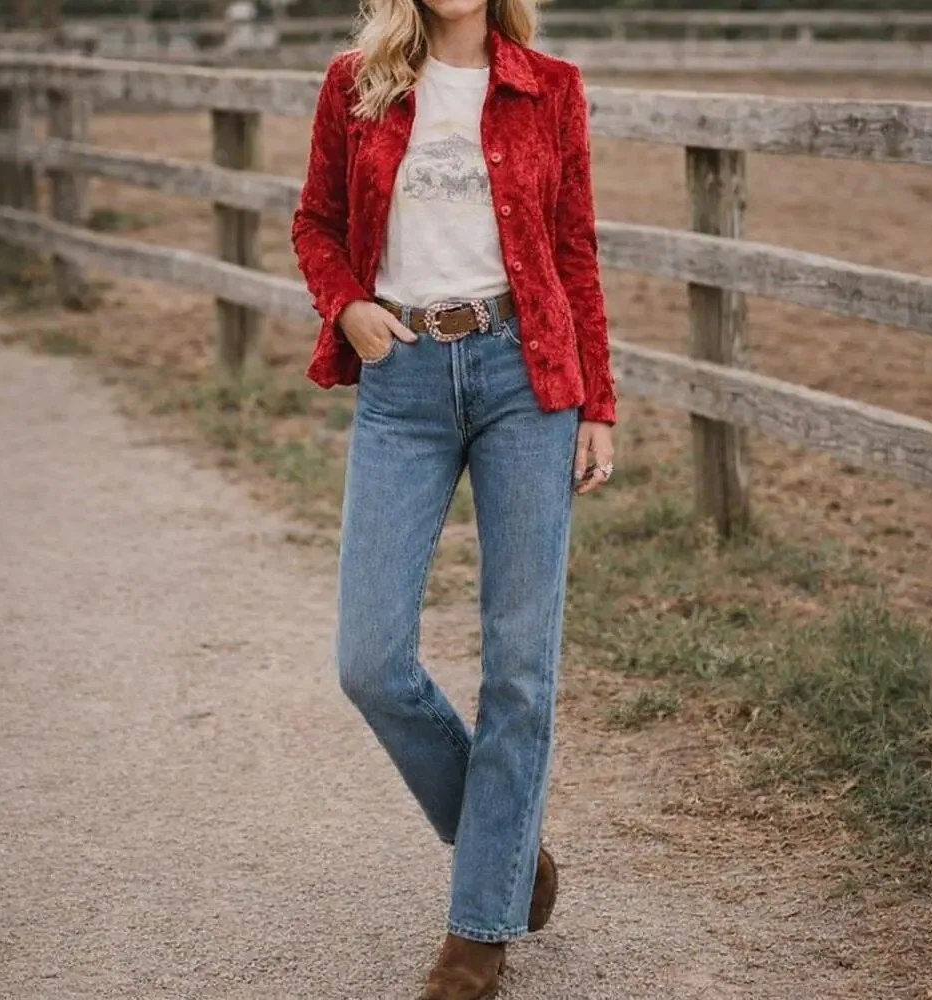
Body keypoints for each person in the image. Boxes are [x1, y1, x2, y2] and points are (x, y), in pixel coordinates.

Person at [291, 0, 617, 995]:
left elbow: (573, 250)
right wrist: (346, 304)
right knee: (371, 661)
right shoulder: (356, 79)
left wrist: (595, 400)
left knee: (521, 665)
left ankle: (479, 926)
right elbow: (316, 220)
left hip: (528, 376)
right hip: (403, 377)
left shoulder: (548, 86)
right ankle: (508, 848)